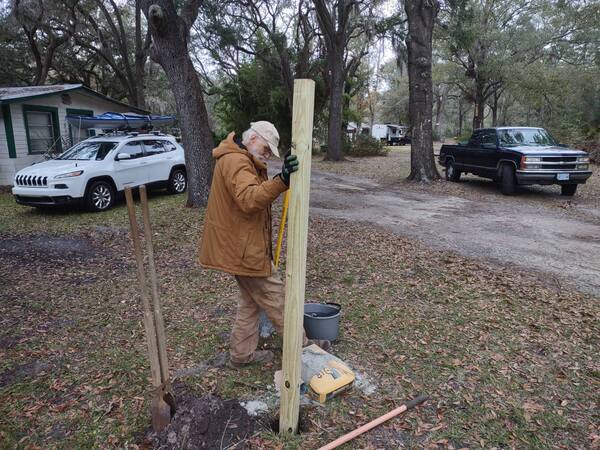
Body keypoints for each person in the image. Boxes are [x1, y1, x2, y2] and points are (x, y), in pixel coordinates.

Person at [199, 121, 331, 368]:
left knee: (250, 303)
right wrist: (282, 180)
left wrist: (280, 176)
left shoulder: (243, 159)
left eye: (271, 151)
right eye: (266, 147)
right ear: (252, 138)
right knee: (278, 298)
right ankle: (304, 348)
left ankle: (241, 356)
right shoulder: (236, 162)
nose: (267, 153)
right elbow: (250, 199)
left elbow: (254, 194)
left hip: (242, 247)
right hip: (243, 251)